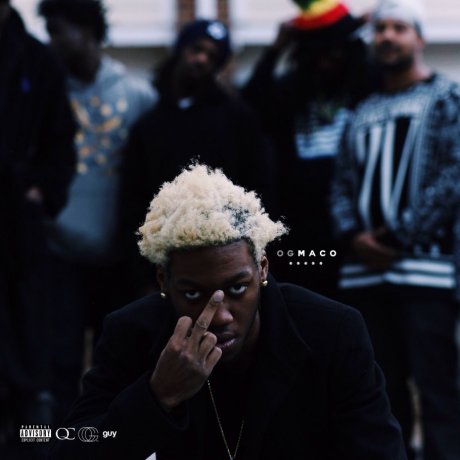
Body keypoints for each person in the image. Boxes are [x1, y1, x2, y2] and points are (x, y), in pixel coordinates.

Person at [50, 163, 406, 460]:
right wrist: (157, 396)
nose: (220, 316)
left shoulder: (332, 331)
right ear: (163, 281)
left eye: (237, 289)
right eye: (193, 294)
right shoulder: (132, 333)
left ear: (262, 269)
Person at [331, 0, 460, 458]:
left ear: (419, 38)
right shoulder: (360, 111)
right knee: (382, 396)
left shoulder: (447, 98)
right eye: (380, 28)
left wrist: (394, 237)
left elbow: (453, 176)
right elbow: (341, 183)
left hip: (426, 272)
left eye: (399, 28)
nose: (387, 36)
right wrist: (353, 237)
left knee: (439, 391)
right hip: (364, 276)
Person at [38, 0, 156, 422]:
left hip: (119, 259)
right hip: (59, 254)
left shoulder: (138, 94)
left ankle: (116, 443)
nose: (51, 41)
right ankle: (62, 445)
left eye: (57, 30)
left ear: (87, 29)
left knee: (120, 365)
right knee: (59, 366)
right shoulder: (46, 94)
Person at [122, 19, 276, 296]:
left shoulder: (239, 120)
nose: (202, 59)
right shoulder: (149, 126)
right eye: (197, 49)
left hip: (227, 264)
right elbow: (133, 202)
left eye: (212, 56)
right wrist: (142, 275)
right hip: (167, 267)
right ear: (181, 49)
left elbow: (259, 192)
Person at [242, 0, 373, 298]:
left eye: (334, 52)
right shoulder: (291, 90)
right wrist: (275, 50)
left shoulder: (365, 86)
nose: (326, 61)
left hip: (352, 225)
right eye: (317, 53)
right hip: (300, 225)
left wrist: (362, 29)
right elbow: (251, 107)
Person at [0, 0, 76, 450]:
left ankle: (30, 438)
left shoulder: (37, 59)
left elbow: (61, 138)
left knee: (26, 347)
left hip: (18, 225)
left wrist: (42, 190)